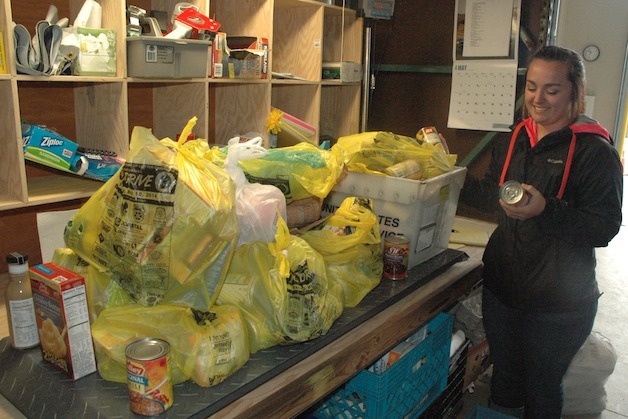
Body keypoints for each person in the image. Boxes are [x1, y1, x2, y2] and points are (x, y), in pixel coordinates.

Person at [459, 45, 623, 418]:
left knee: (541, 387)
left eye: (552, 89)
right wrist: (450, 178)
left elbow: (604, 227)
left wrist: (546, 210)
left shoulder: (595, 152)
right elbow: (493, 194)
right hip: (503, 291)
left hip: (559, 304)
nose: (538, 99)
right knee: (505, 379)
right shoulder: (514, 137)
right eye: (532, 87)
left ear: (574, 91)